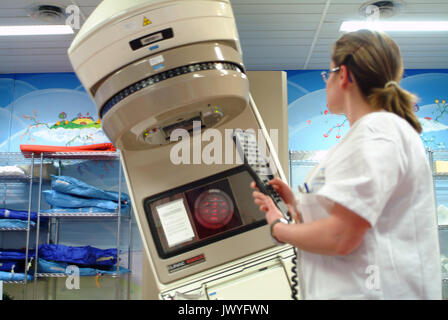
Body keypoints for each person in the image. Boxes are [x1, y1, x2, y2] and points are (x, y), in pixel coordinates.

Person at [251, 29, 442, 300]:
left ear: (345, 75)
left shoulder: (377, 133)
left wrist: (278, 229)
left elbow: (342, 237)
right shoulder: (366, 135)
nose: (326, 81)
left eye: (327, 73)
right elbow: (350, 216)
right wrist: (295, 205)